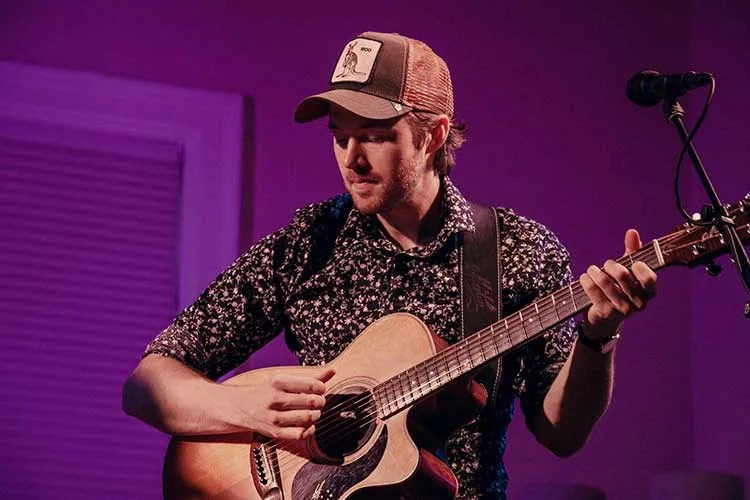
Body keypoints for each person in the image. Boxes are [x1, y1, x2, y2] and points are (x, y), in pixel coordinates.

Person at [122, 31, 657, 499]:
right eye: (339, 136)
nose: (351, 159)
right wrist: (250, 411)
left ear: (433, 135)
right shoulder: (307, 245)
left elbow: (563, 432)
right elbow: (147, 384)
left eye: (374, 136)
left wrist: (598, 336)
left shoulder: (516, 252)